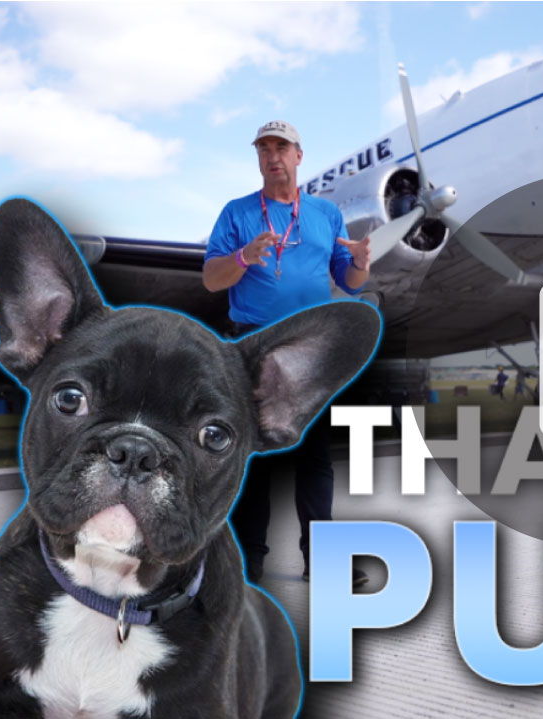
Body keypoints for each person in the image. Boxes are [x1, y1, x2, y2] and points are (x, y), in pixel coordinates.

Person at [203, 120, 371, 586]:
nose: (273, 155)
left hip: (312, 350)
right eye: (264, 148)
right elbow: (211, 279)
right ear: (258, 158)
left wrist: (358, 263)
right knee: (257, 459)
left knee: (315, 462)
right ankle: (248, 562)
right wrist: (242, 257)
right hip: (256, 346)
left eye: (282, 147)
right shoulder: (237, 214)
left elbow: (350, 283)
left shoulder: (325, 214)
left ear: (299, 156)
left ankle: (323, 561)